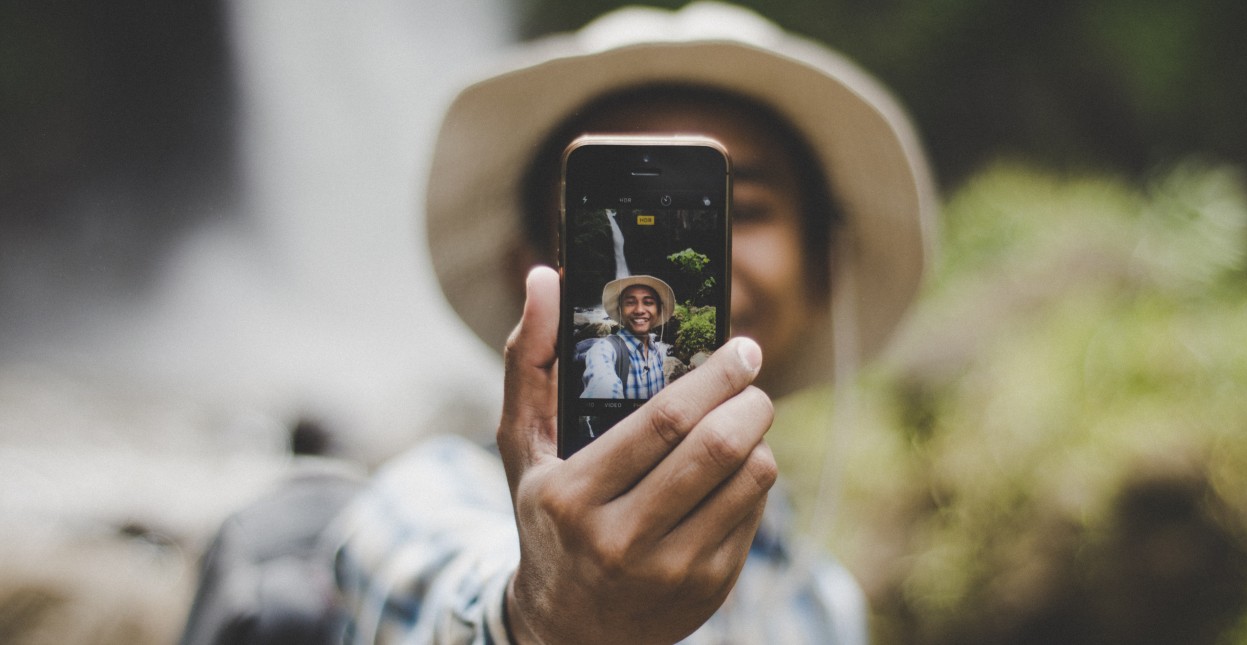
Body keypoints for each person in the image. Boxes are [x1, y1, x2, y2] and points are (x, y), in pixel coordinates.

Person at [181, 3, 936, 644]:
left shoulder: (821, 603)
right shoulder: (425, 499)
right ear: (533, 275)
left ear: (823, 269)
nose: (672, 270)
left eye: (740, 210)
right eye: (606, 226)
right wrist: (546, 614)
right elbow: (434, 591)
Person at [580, 276, 675, 400]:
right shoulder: (603, 350)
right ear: (620, 310)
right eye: (630, 302)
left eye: (648, 302)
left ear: (658, 310)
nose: (639, 310)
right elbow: (601, 385)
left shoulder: (657, 351)